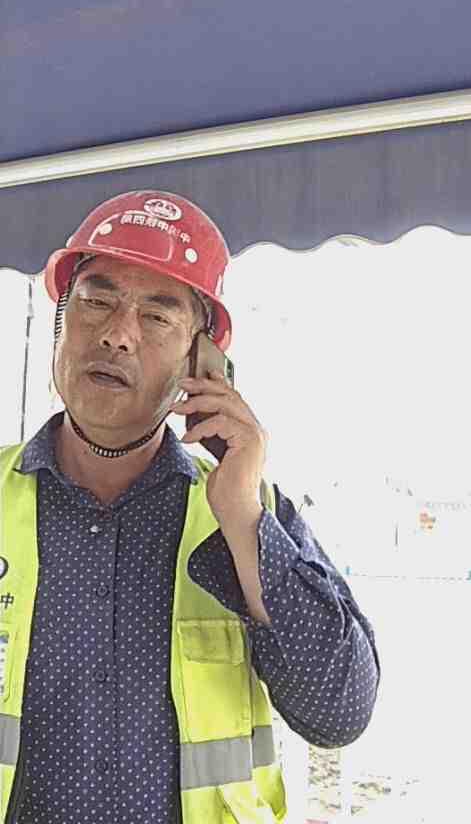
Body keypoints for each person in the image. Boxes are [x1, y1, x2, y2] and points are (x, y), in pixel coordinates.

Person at [0, 190, 380, 824]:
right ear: (62, 322)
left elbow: (339, 712)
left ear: (201, 361)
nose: (117, 335)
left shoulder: (250, 512)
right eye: (96, 301)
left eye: (157, 316)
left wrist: (243, 520)